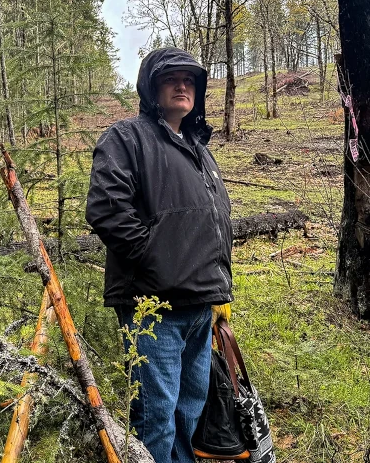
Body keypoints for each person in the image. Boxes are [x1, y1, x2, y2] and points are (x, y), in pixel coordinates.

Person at [85, 47, 233, 463]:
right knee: (156, 418)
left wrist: (216, 287)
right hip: (153, 307)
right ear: (152, 87)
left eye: (190, 79)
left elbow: (211, 220)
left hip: (200, 305)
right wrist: (156, 260)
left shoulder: (199, 149)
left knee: (190, 412)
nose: (182, 85)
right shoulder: (126, 138)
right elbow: (106, 208)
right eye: (171, 78)